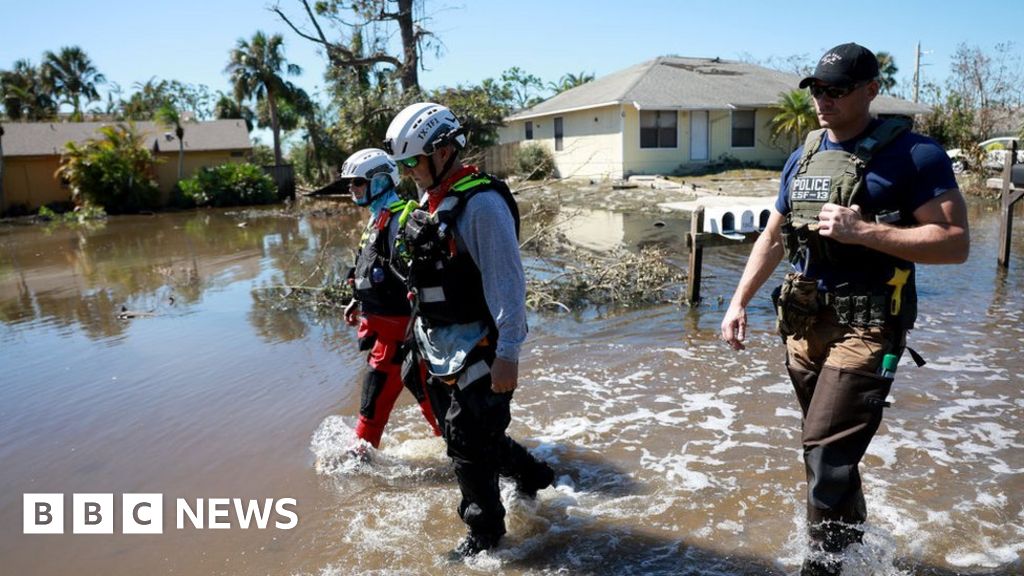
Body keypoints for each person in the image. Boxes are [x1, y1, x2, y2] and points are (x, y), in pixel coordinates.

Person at [719, 43, 969, 576]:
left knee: (826, 454)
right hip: (805, 324)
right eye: (817, 89)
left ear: (871, 90)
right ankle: (859, 555)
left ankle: (822, 567)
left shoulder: (915, 154)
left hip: (871, 325)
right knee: (826, 457)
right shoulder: (803, 154)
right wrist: (738, 302)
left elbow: (954, 243)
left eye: (837, 90)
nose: (823, 100)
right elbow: (774, 235)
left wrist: (865, 231)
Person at [383, 102, 555, 558]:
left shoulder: (481, 205)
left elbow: (507, 283)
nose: (407, 172)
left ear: (443, 151)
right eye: (401, 164)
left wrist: (510, 353)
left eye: (412, 162)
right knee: (472, 437)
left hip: (482, 347)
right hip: (440, 346)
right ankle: (534, 475)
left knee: (466, 445)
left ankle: (486, 539)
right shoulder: (429, 201)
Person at [340, 148, 441, 454]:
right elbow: (372, 268)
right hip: (386, 341)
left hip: (414, 343)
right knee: (370, 413)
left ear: (381, 180)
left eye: (357, 182)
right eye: (351, 183)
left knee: (442, 417)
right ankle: (356, 465)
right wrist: (357, 300)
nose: (351, 188)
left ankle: (489, 468)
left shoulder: (403, 222)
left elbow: (428, 280)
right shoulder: (376, 222)